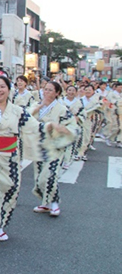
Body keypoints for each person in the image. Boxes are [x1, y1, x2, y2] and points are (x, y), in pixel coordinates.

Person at [0, 76, 74, 247]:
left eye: (2, 86)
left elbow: (35, 127)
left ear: (8, 90)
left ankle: (0, 226)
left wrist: (51, 127)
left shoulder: (18, 112)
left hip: (9, 159)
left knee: (7, 193)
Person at [29, 82, 78, 216]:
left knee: (50, 176)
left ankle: (54, 203)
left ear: (57, 93)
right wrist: (36, 109)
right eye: (45, 89)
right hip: (39, 145)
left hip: (55, 146)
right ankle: (45, 203)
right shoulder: (36, 105)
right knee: (39, 177)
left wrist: (63, 129)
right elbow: (26, 120)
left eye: (50, 90)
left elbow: (72, 126)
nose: (46, 92)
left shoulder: (62, 109)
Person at [76, 84, 103, 160]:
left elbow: (100, 109)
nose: (87, 91)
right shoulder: (80, 100)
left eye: (90, 90)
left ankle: (83, 152)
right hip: (81, 120)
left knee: (88, 137)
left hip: (91, 119)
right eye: (86, 90)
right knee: (80, 136)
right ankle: (79, 152)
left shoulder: (96, 100)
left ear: (93, 91)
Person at [62, 85, 85, 168]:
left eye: (73, 91)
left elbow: (83, 113)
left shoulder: (79, 102)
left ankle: (67, 160)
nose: (71, 92)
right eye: (69, 90)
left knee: (70, 143)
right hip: (62, 124)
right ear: (66, 91)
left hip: (73, 124)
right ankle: (61, 159)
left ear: (76, 92)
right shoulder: (61, 101)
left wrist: (78, 117)